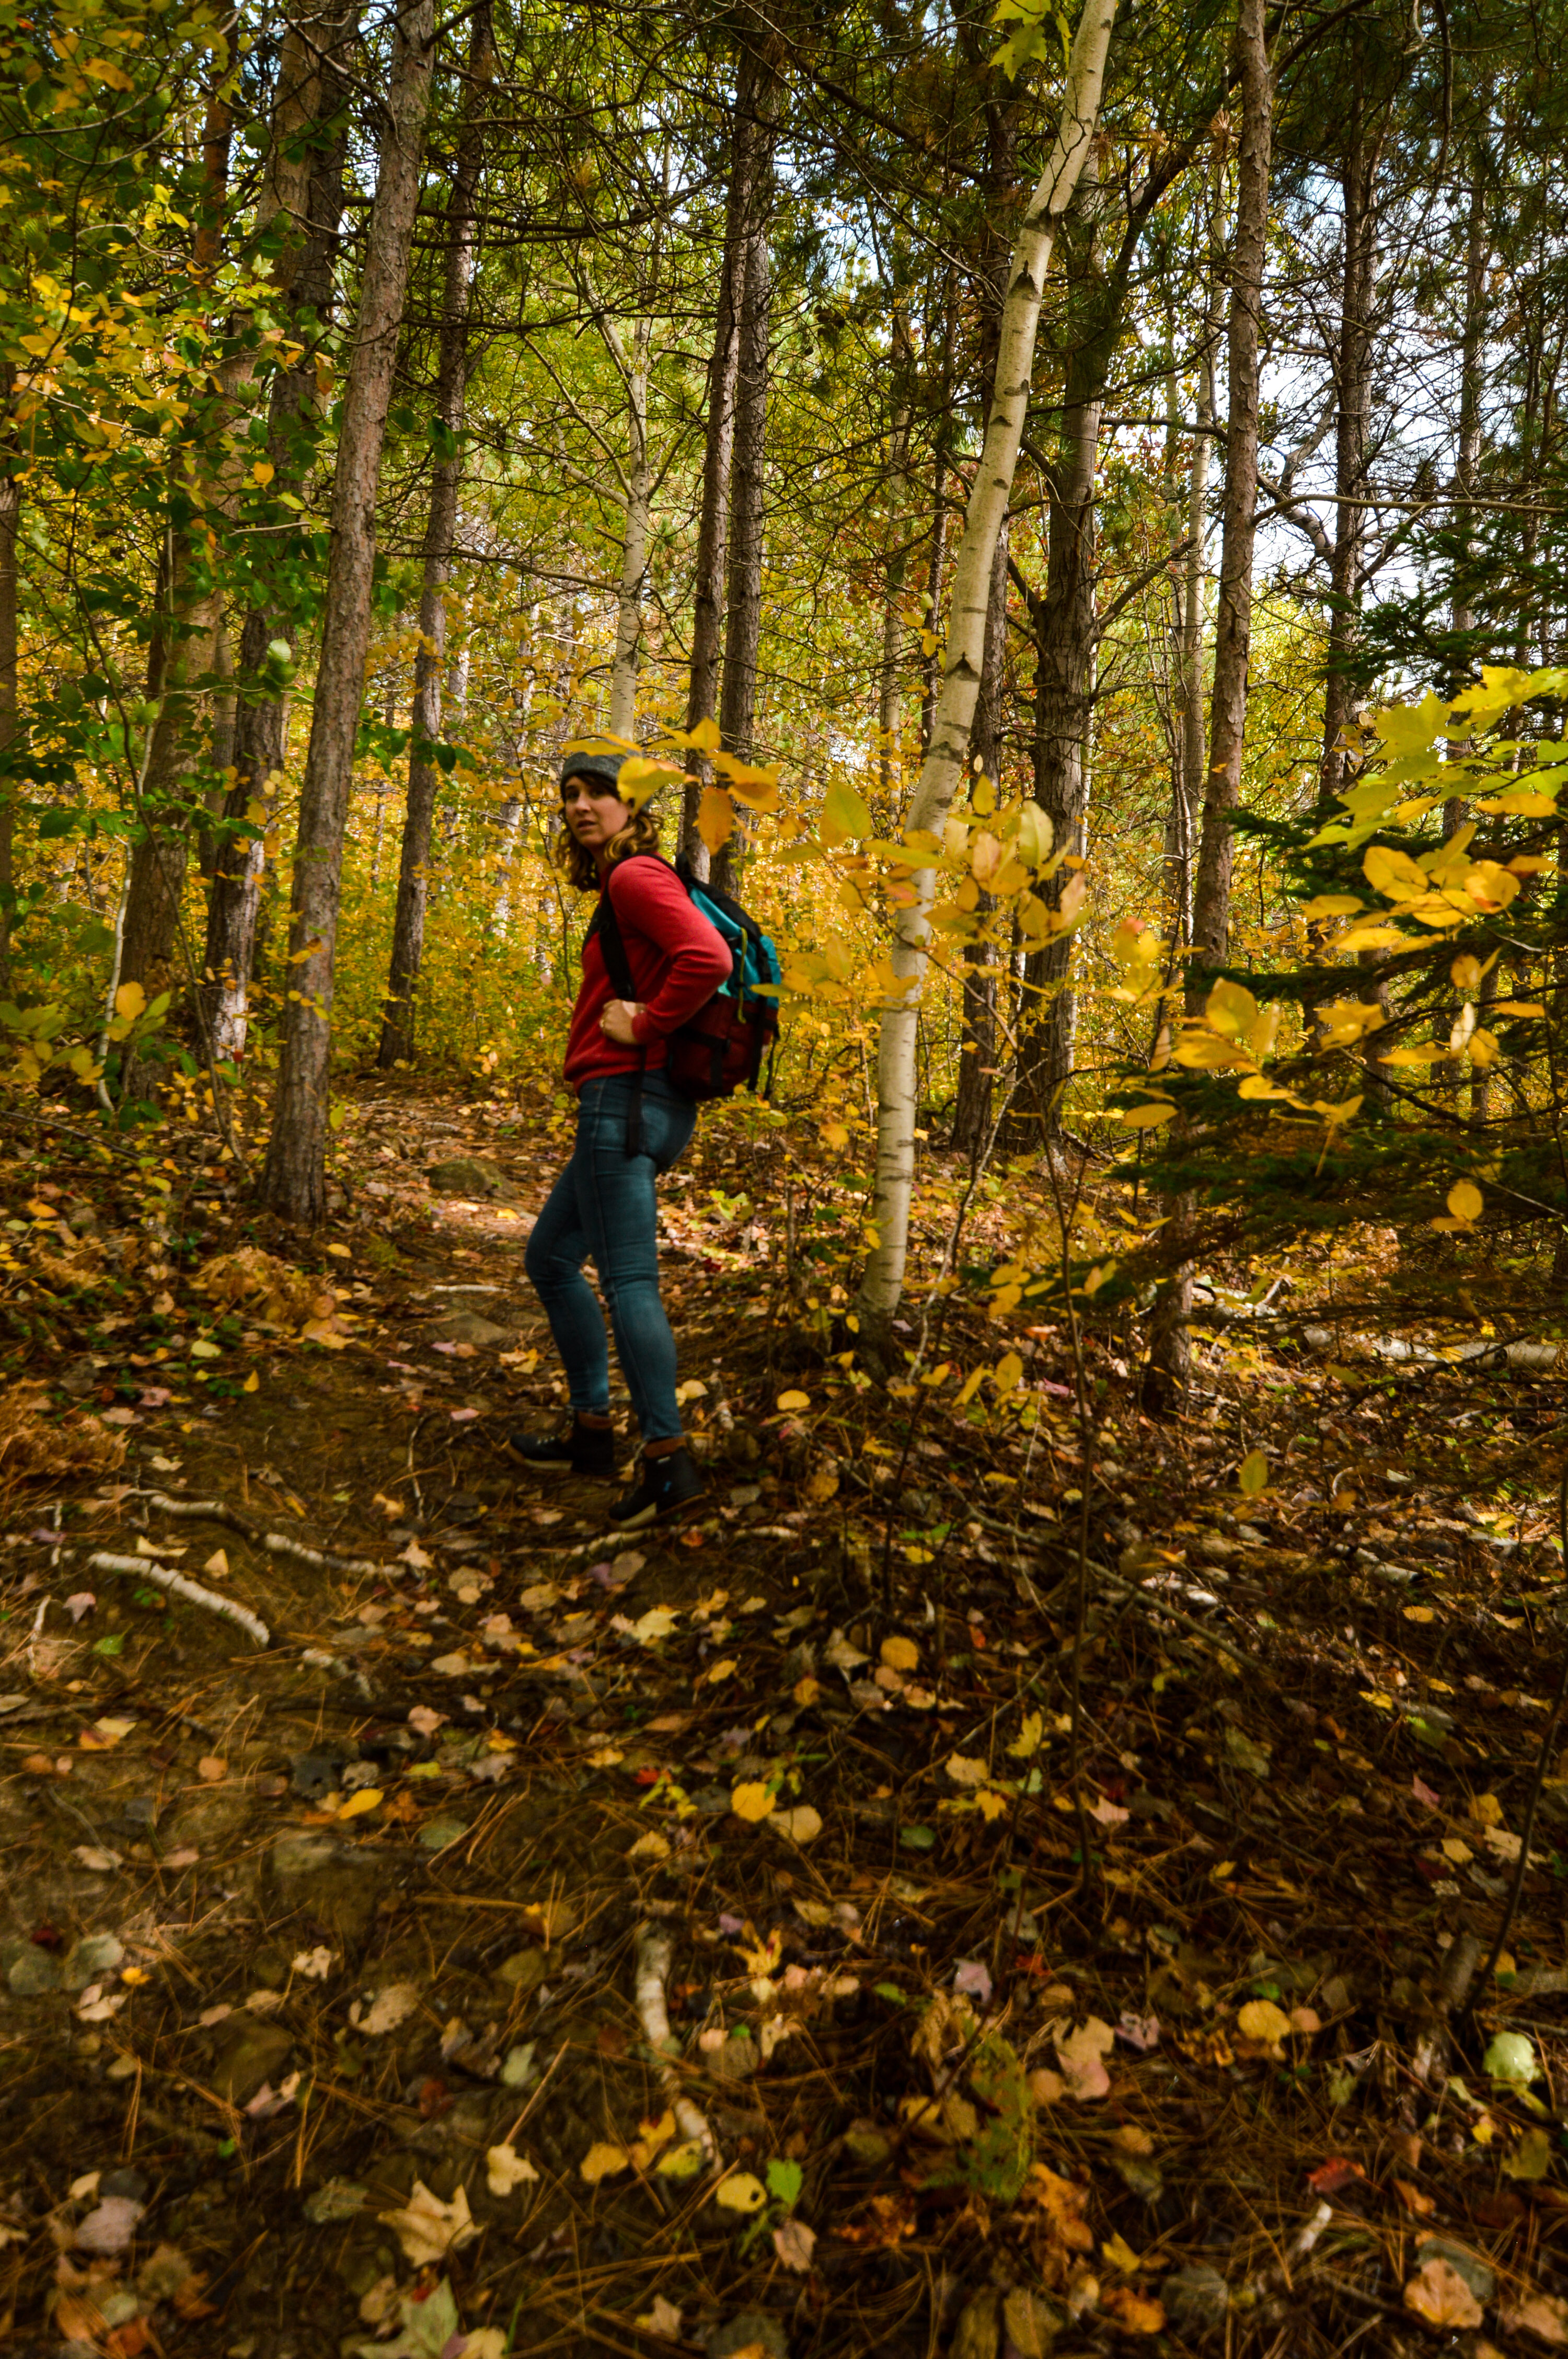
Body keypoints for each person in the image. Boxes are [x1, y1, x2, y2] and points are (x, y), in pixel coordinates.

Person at [508, 748, 732, 1528]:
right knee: (551, 1258)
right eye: (569, 794)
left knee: (629, 1280)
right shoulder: (623, 884)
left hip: (626, 1099)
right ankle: (592, 1431)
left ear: (630, 807)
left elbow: (708, 957)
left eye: (597, 793)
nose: (579, 805)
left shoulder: (636, 877)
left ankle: (669, 1462)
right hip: (638, 1101)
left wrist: (648, 1022)